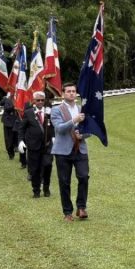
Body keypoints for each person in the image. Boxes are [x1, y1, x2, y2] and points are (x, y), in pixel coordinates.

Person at [50, 82, 90, 221]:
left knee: (84, 177)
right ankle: (67, 212)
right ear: (62, 94)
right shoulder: (56, 110)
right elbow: (59, 128)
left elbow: (89, 130)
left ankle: (81, 207)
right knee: (64, 182)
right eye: (68, 91)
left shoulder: (81, 108)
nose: (72, 93)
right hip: (63, 151)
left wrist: (82, 135)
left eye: (73, 91)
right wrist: (74, 120)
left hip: (80, 149)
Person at [19, 91, 54, 198]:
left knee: (48, 165)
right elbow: (22, 128)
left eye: (42, 100)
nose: (40, 102)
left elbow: (54, 126)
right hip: (33, 146)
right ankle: (36, 191)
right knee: (35, 169)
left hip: (47, 145)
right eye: (38, 100)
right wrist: (21, 140)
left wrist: (54, 137)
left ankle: (46, 188)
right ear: (34, 101)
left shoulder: (49, 112)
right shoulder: (28, 112)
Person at [1, 95, 19, 159]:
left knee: (17, 136)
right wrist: (14, 106)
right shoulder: (8, 98)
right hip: (8, 122)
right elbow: (6, 108)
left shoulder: (20, 96)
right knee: (9, 139)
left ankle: (16, 147)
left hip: (17, 120)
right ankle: (10, 152)